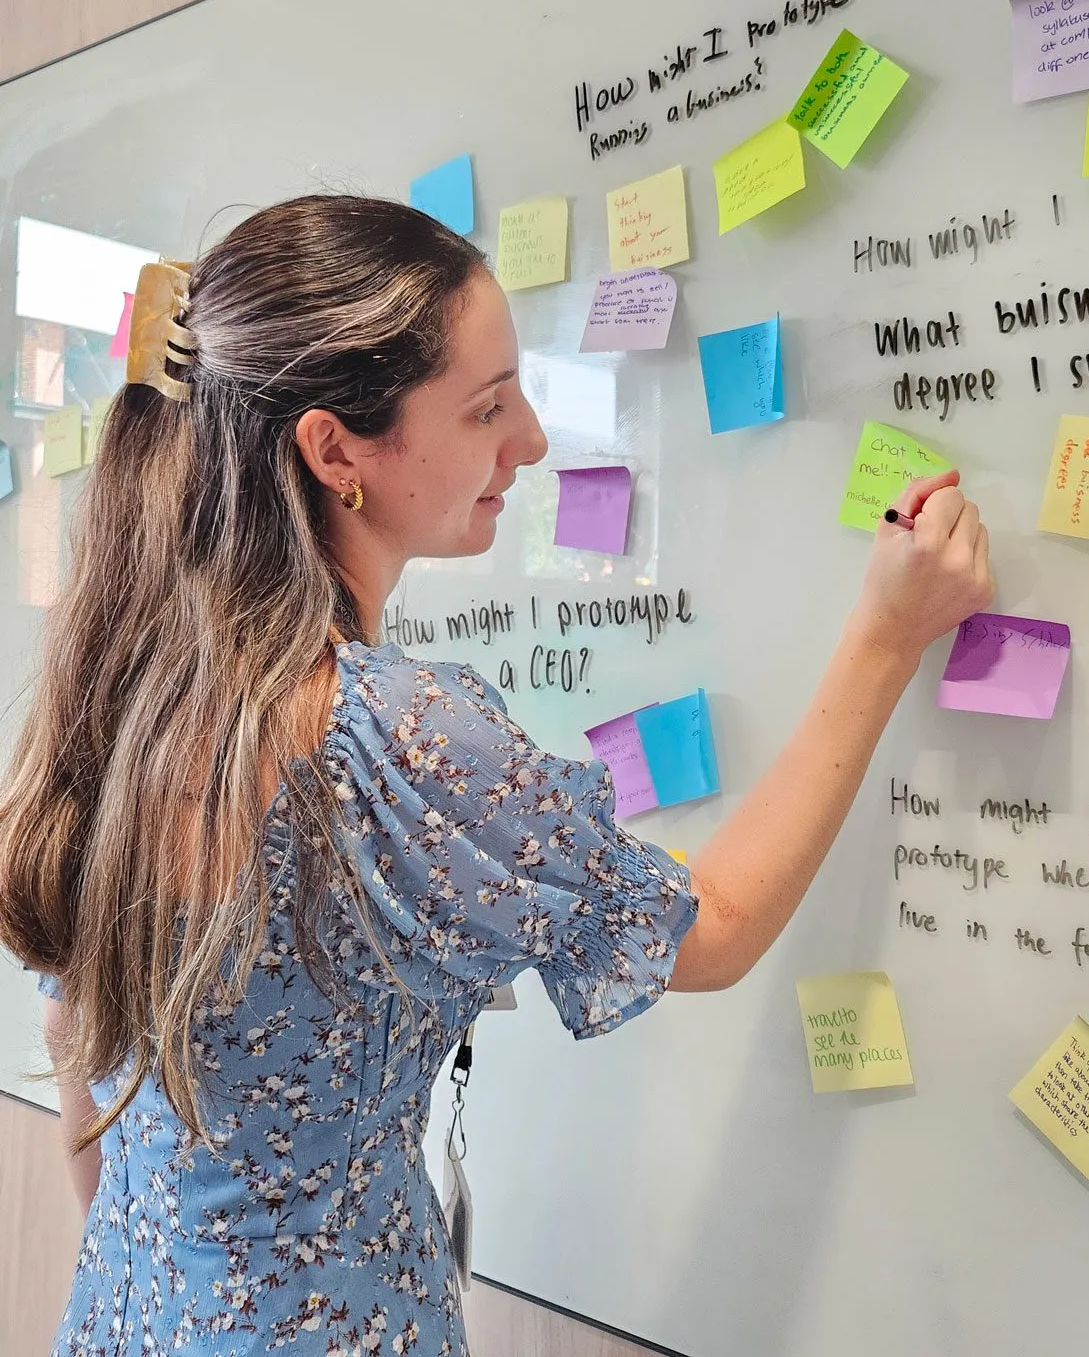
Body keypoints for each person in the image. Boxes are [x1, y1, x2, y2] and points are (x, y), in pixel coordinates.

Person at [0, 195, 992, 1357]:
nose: (529, 440)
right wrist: (884, 638)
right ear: (334, 451)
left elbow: (83, 1076)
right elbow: (711, 928)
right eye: (487, 406)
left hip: (128, 1317)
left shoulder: (130, 686)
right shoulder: (394, 739)